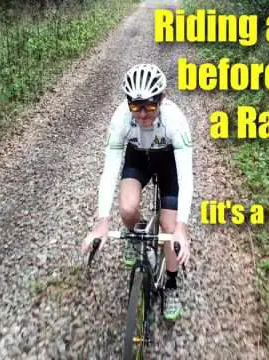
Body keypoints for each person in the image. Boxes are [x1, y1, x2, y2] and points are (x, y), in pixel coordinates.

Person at [80, 63, 193, 321]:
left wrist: (181, 229)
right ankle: (136, 236)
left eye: (150, 106)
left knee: (168, 225)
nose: (142, 115)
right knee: (127, 208)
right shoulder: (121, 118)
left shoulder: (175, 121)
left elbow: (186, 177)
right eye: (135, 106)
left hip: (168, 163)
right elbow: (109, 172)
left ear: (162, 99)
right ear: (128, 102)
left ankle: (171, 286)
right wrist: (101, 222)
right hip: (138, 158)